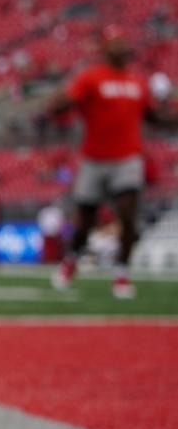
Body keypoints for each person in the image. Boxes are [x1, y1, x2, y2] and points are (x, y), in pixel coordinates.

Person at [47, 27, 177, 298]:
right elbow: (67, 102)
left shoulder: (138, 82)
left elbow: (152, 116)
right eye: (116, 44)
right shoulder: (91, 77)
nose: (121, 49)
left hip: (127, 158)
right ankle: (71, 261)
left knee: (128, 215)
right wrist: (59, 103)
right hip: (94, 159)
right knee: (85, 221)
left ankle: (122, 273)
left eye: (124, 43)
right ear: (106, 50)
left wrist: (172, 119)